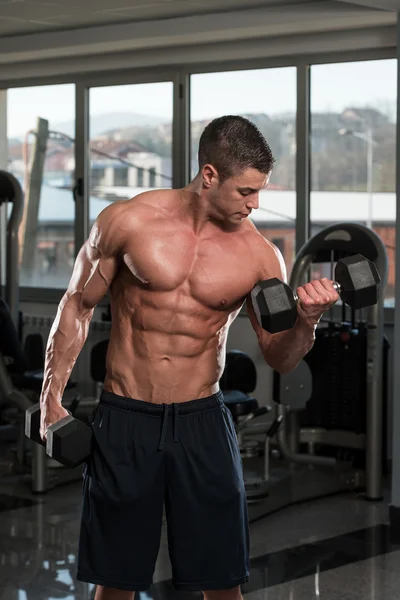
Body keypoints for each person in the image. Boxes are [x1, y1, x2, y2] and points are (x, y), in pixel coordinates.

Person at [39, 115, 339, 600]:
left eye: (259, 191)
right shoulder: (127, 221)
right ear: (209, 174)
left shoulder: (261, 258)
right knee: (115, 581)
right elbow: (76, 305)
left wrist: (307, 321)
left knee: (222, 581)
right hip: (126, 417)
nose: (255, 204)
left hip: (202, 421)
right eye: (246, 191)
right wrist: (51, 398)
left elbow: (280, 358)